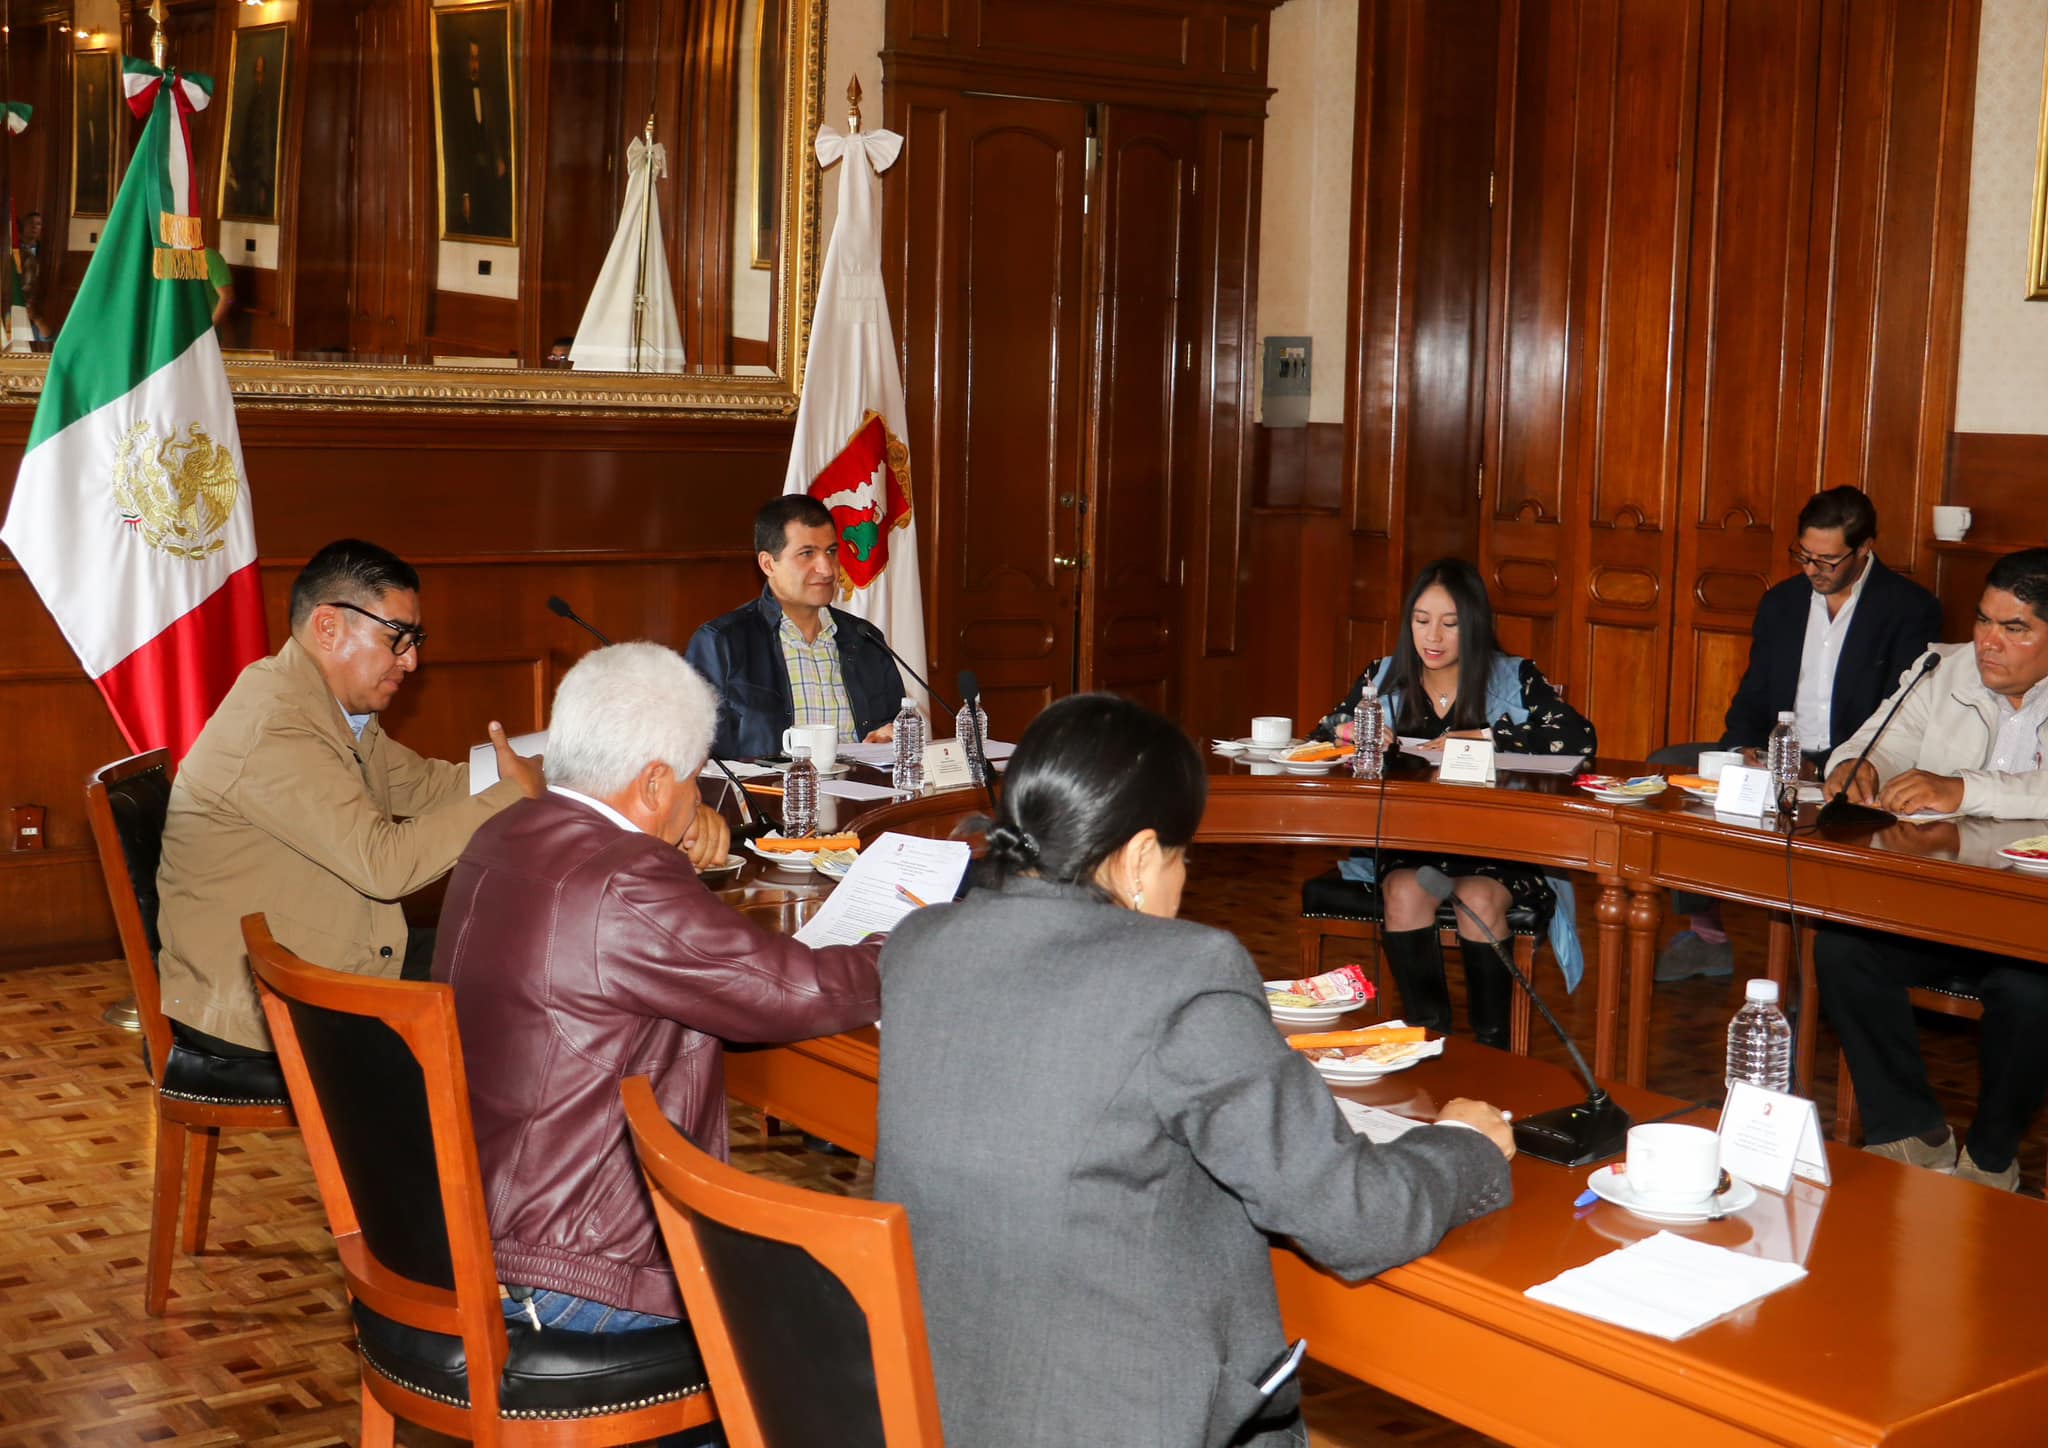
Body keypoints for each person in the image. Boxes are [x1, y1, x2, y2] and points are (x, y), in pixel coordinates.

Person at [874, 693, 1513, 1447]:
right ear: (1141, 856)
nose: (1186, 878)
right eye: (1184, 857)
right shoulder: (1184, 971)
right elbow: (1354, 1217)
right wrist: (1461, 1147)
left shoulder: (919, 944)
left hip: (938, 1407)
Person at [435, 642, 883, 1331]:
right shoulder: (624, 883)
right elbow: (791, 992)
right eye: (693, 780)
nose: (696, 798)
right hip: (579, 1271)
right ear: (651, 784)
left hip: (478, 1231)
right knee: (850, 1315)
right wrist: (910, 944)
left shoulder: (500, 833)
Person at [156, 539, 544, 1056]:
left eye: (415, 639)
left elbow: (426, 785)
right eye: (398, 638)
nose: (412, 661)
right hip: (261, 1001)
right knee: (517, 996)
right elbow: (384, 866)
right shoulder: (277, 724)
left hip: (323, 957)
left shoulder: (326, 706)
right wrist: (515, 795)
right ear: (328, 626)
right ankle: (450, 1135)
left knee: (521, 957)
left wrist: (546, 772)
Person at [1815, 547, 2048, 1193]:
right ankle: (1910, 1130)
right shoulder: (1941, 668)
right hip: (1943, 903)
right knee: (1845, 947)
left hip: (2034, 922)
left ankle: (1993, 1154)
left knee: (2033, 994)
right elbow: (1878, 740)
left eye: (2014, 628)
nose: (1987, 642)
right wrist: (1858, 767)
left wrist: (1962, 790)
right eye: (1982, 620)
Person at [1657, 485, 1942, 980]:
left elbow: (1898, 720)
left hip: (1852, 765)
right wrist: (1741, 747)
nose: (1812, 570)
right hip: (1779, 751)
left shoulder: (1907, 608)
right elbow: (1752, 695)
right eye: (1803, 555)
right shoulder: (1782, 603)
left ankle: (1813, 969)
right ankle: (1707, 932)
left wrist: (1825, 763)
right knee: (1673, 764)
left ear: (1865, 548)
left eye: (1826, 561)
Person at [1310, 557, 1597, 1045]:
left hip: (1501, 850)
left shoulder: (1515, 676)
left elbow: (1578, 738)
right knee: (1402, 891)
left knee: (1479, 898)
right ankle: (1428, 1041)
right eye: (1422, 622)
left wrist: (1488, 735)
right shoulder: (1381, 679)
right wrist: (1358, 734)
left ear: (1475, 626)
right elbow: (1321, 735)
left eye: (1450, 623)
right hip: (1413, 846)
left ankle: (1492, 1052)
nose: (1433, 638)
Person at [684, 494, 904, 758]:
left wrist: (889, 741)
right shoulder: (722, 643)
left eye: (831, 552)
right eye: (807, 554)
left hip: (865, 793)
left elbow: (897, 726)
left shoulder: (866, 639)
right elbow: (698, 755)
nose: (827, 569)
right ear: (768, 564)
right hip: (768, 796)